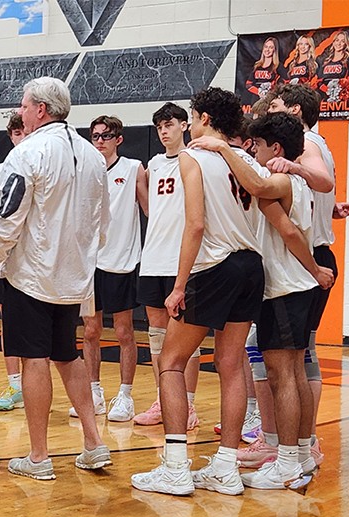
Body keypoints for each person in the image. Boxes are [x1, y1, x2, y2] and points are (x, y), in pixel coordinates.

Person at [189, 112, 334, 489]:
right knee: (296, 373)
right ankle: (301, 454)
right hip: (297, 287)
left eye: (259, 145)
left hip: (286, 287)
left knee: (281, 375)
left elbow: (287, 230)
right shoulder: (296, 181)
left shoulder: (281, 180)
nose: (254, 151)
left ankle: (286, 463)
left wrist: (224, 148)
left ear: (277, 148)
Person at [130, 87, 264, 496]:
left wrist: (179, 285)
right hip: (251, 265)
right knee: (231, 364)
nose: (190, 124)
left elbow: (196, 225)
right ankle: (225, 467)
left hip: (215, 266)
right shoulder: (244, 158)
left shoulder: (193, 157)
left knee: (170, 362)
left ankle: (174, 467)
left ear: (204, 118)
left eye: (191, 116)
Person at [0, 76, 112, 481]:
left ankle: (39, 456)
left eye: (23, 105)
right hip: (73, 277)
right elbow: (102, 221)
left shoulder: (26, 153)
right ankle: (94, 443)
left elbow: (8, 218)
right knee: (67, 354)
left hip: (31, 277)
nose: (20, 112)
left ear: (40, 109)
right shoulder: (93, 156)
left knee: (34, 358)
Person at [69, 114, 147, 422]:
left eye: (106, 135)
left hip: (121, 262)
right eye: (95, 136)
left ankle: (125, 395)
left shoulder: (133, 168)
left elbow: (149, 210)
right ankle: (94, 392)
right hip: (90, 262)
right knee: (90, 330)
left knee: (124, 331)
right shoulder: (85, 170)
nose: (100, 141)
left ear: (119, 139)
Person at [135, 103, 202, 430]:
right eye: (160, 126)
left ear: (184, 125)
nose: (164, 131)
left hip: (182, 260)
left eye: (170, 124)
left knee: (185, 337)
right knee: (157, 335)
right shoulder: (154, 164)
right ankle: (164, 400)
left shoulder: (196, 160)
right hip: (153, 258)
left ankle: (187, 404)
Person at [0, 112, 29, 412]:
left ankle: (35, 384)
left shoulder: (45, 164)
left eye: (25, 132)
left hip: (40, 262)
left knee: (40, 331)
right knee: (10, 324)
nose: (21, 138)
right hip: (7, 260)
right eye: (16, 133)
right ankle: (15, 384)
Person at [317, 31, 349, 102]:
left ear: (346, 44)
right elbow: (319, 81)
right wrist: (326, 90)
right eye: (337, 40)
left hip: (340, 99)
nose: (339, 43)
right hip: (324, 98)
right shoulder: (325, 62)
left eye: (342, 41)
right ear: (333, 42)